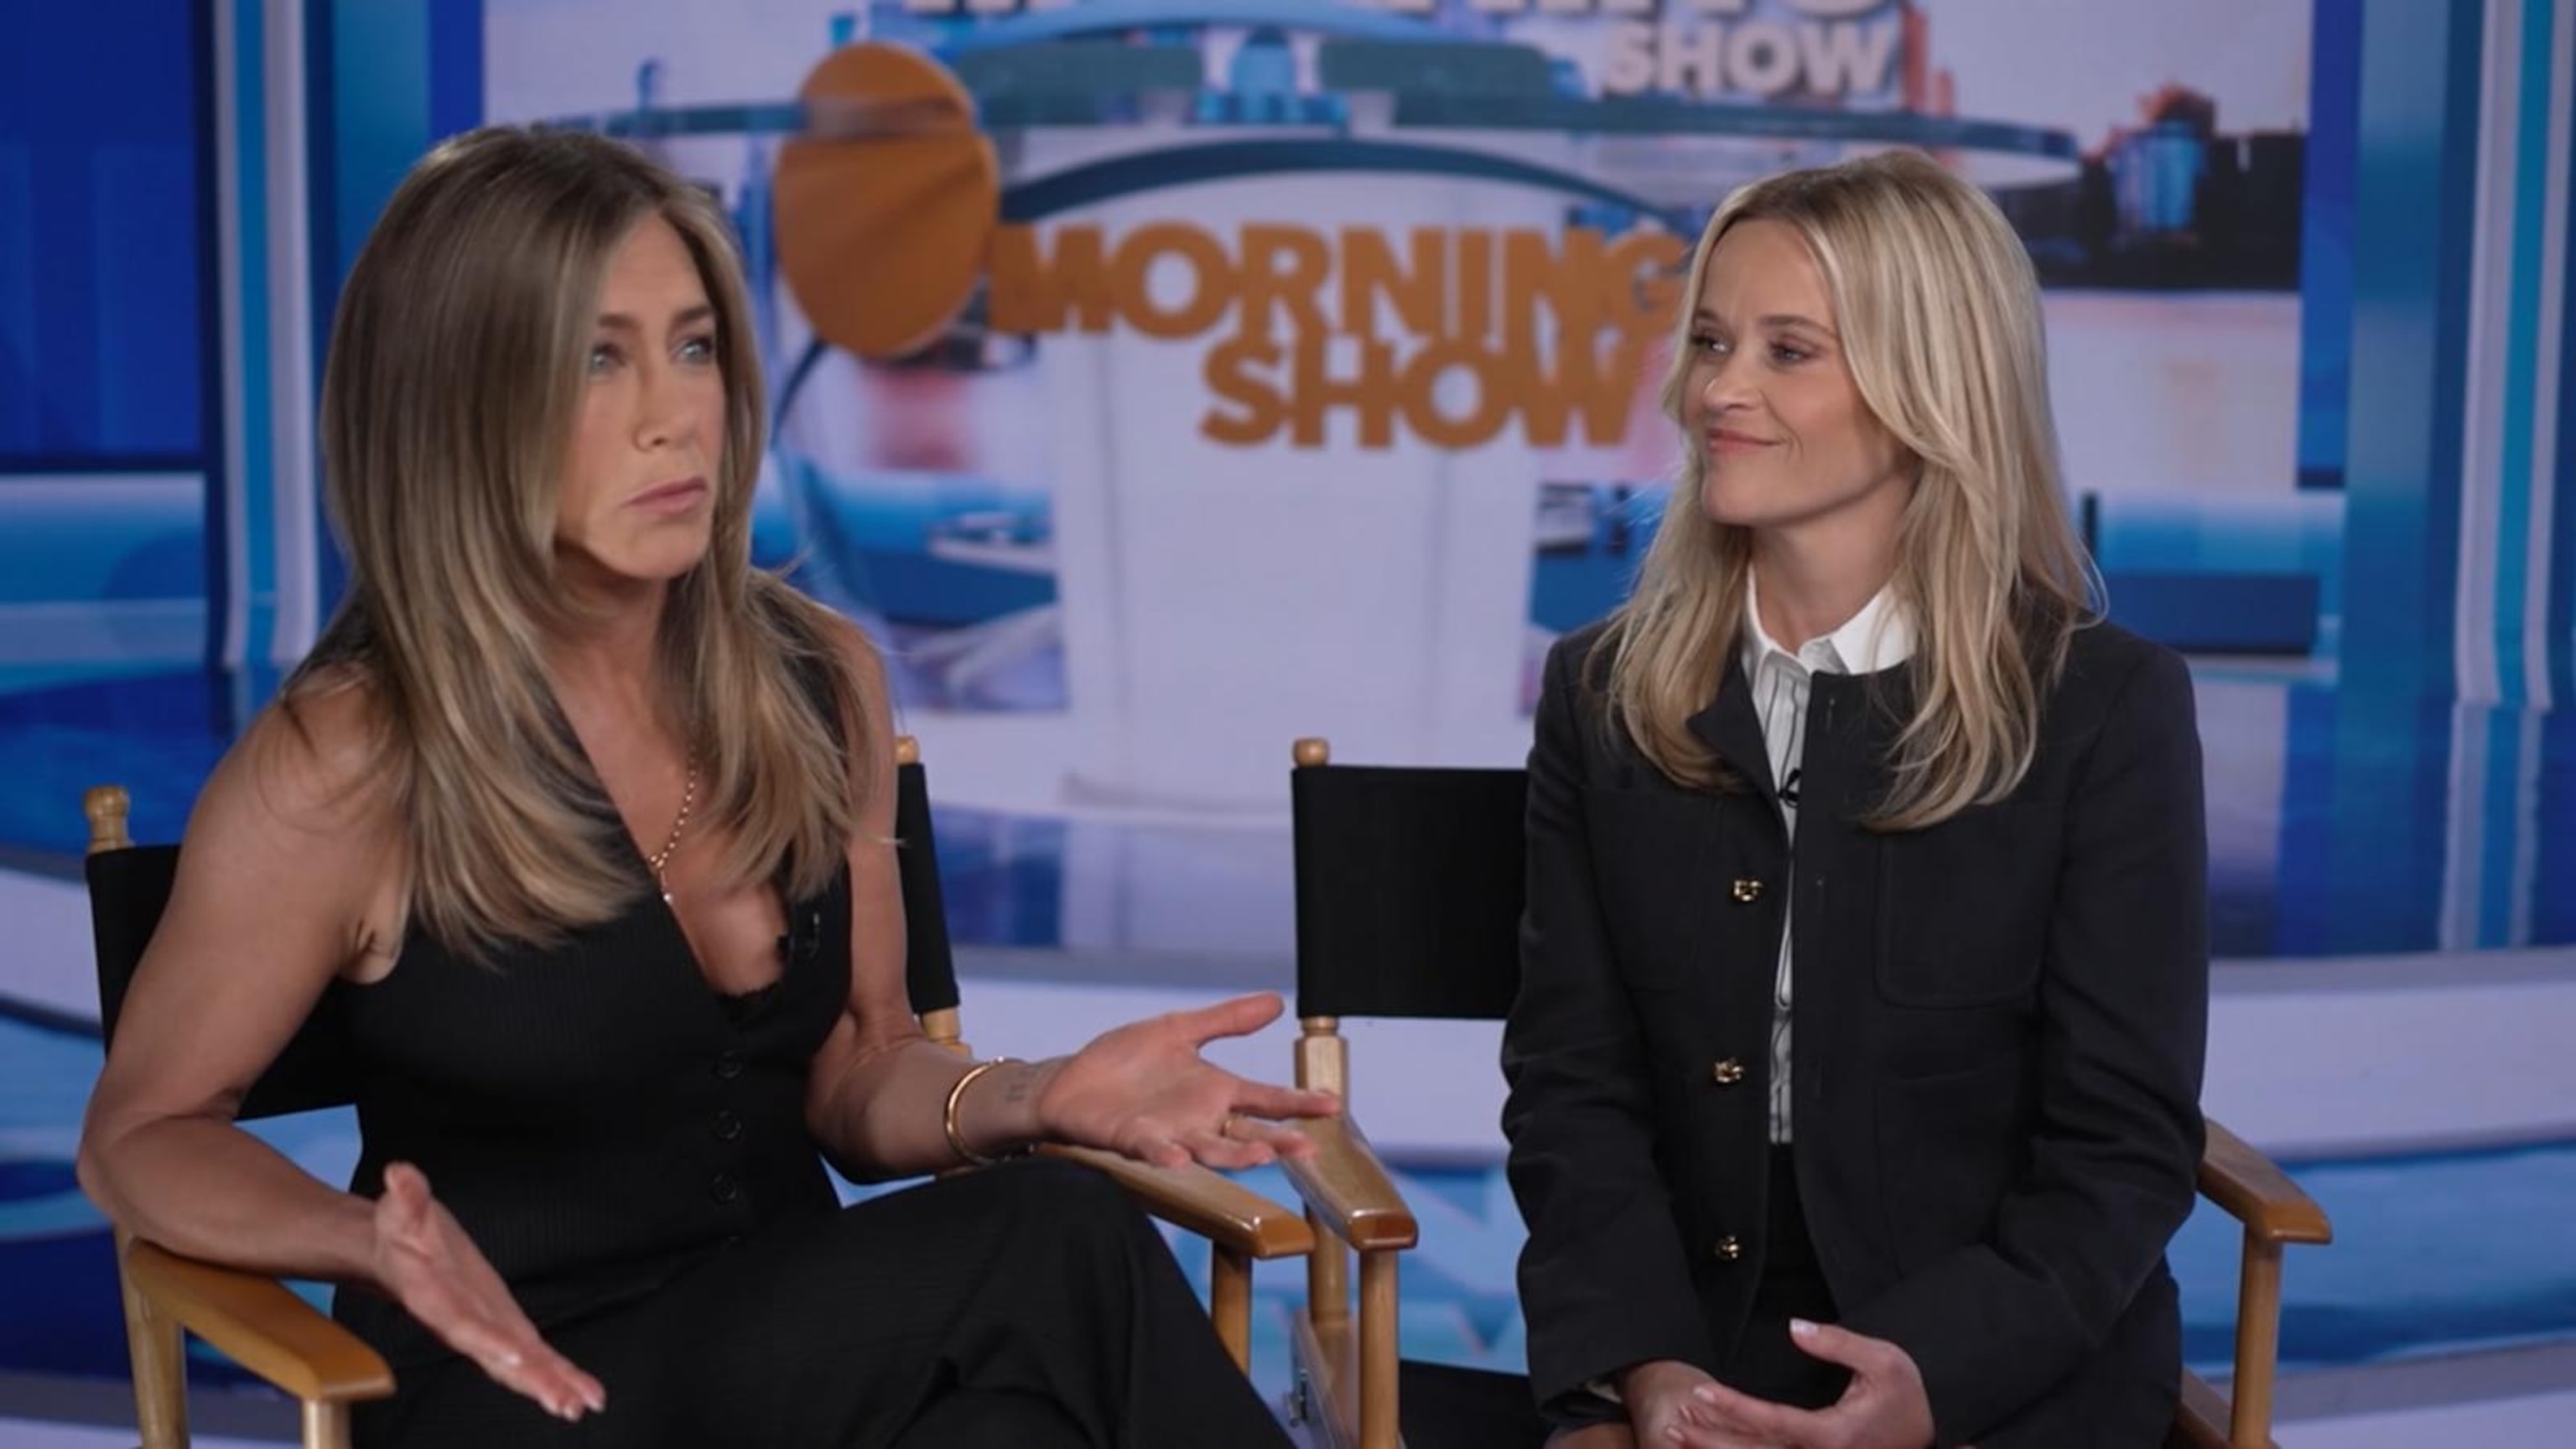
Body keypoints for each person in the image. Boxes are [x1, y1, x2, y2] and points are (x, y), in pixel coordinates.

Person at [75, 126, 1332, 1448]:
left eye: (693, 347)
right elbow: (142, 1132)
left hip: (797, 1361)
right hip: (518, 1393)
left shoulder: (818, 680)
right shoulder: (352, 758)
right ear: (458, 399)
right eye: (596, 359)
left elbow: (860, 1069)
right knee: (1054, 1232)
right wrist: (362, 1242)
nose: (672, 415)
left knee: (1010, 1431)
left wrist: (1046, 1092)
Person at [1502, 150, 2209, 1449]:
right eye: (1711, 342)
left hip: (2002, 1360)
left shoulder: (2108, 709)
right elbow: (1572, 1090)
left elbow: (2120, 1147)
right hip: (1694, 1333)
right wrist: (1644, 1371)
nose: (1719, 390)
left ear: (1933, 382)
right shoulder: (1602, 693)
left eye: (1788, 351)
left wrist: (1931, 1381)